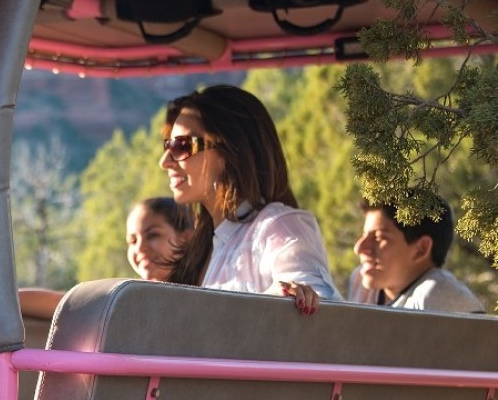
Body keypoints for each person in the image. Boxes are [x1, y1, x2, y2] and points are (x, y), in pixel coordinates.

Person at [160, 84, 342, 314]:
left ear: (228, 149)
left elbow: (319, 303)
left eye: (181, 146)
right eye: (168, 145)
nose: (164, 161)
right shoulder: (202, 247)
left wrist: (283, 297)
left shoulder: (278, 226)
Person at [0, 196, 194, 320]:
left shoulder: (203, 296)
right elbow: (67, 303)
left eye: (152, 235)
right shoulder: (129, 297)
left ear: (187, 237)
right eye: (131, 241)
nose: (139, 248)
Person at [348, 194, 485, 313]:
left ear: (421, 249)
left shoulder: (441, 297)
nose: (359, 248)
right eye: (364, 235)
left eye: (379, 238)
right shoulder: (361, 283)